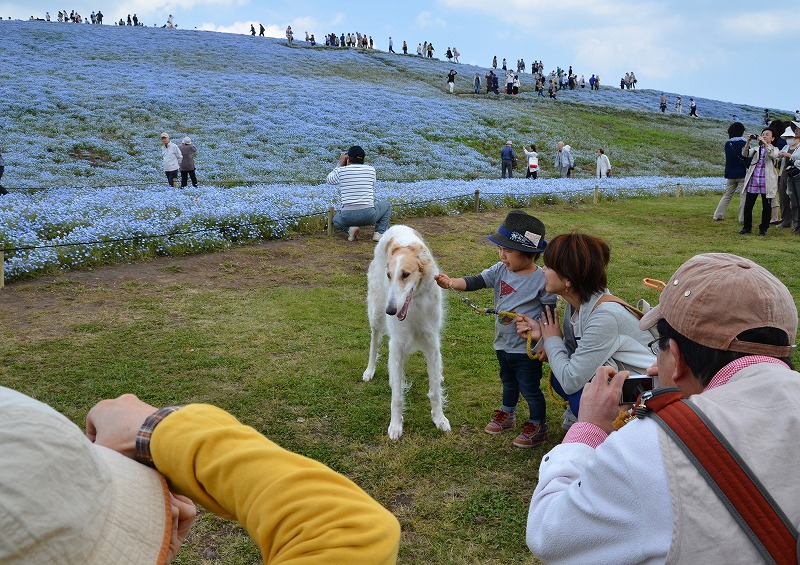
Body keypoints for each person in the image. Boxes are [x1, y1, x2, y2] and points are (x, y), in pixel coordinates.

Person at [526, 252, 798, 564]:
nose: (653, 367)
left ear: (678, 357)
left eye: (660, 347)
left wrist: (586, 432)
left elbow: (549, 535)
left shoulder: (649, 448)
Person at [434, 211, 556, 447]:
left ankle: (538, 424)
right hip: (503, 343)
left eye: (508, 251)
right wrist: (451, 283)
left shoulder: (543, 279)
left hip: (527, 348)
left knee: (530, 388)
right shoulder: (500, 270)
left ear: (529, 253)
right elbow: (476, 281)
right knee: (508, 382)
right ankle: (507, 413)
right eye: (500, 250)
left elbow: (549, 314)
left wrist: (544, 341)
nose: (502, 255)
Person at [514, 233, 655, 426]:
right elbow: (575, 356)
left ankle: (608, 430)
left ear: (568, 279)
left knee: (579, 390)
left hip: (649, 391)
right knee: (562, 379)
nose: (542, 270)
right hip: (630, 384)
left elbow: (571, 379)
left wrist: (552, 340)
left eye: (548, 266)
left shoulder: (605, 316)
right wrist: (542, 336)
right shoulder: (579, 303)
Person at [326, 145, 391, 242]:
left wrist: (340, 164)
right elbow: (372, 184)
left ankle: (350, 230)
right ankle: (379, 233)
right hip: (369, 216)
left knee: (336, 219)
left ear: (348, 158)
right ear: (363, 159)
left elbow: (329, 180)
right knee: (387, 205)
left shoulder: (341, 170)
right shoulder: (371, 170)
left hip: (347, 217)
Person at [739, 128, 779, 236]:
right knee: (748, 205)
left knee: (766, 207)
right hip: (754, 180)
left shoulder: (775, 149)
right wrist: (748, 142)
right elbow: (745, 154)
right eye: (763, 134)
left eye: (767, 135)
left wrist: (765, 143)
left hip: (767, 181)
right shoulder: (756, 148)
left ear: (773, 138)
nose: (764, 136)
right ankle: (747, 227)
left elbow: (772, 155)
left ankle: (763, 228)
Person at [713, 122, 748, 222]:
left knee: (727, 195)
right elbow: (747, 157)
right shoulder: (744, 143)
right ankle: (742, 218)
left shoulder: (728, 144)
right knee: (743, 196)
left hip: (730, 174)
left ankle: (717, 215)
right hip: (742, 173)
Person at [778, 121, 800, 233]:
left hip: (796, 174)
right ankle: (787, 220)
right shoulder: (786, 146)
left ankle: (796, 223)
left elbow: (796, 159)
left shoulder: (798, 147)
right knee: (784, 197)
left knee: (796, 200)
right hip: (785, 173)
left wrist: (789, 156)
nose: (788, 139)